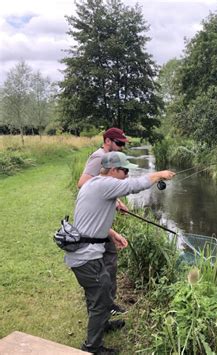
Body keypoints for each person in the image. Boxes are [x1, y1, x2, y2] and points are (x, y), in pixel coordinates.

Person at [66, 151, 175, 354]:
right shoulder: (104, 184)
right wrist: (158, 174)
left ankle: (102, 324)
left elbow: (90, 219)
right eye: (124, 171)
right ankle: (93, 347)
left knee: (101, 291)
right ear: (113, 170)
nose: (126, 175)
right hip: (86, 257)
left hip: (86, 252)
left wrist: (112, 233)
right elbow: (133, 186)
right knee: (101, 295)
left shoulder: (92, 184)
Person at [78, 127, 129, 316]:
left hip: (99, 218)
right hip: (94, 223)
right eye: (119, 143)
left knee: (109, 260)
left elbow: (101, 186)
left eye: (123, 144)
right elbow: (83, 183)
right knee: (106, 262)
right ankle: (103, 306)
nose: (122, 147)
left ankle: (106, 304)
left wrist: (116, 201)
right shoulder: (99, 157)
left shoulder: (109, 158)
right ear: (108, 141)